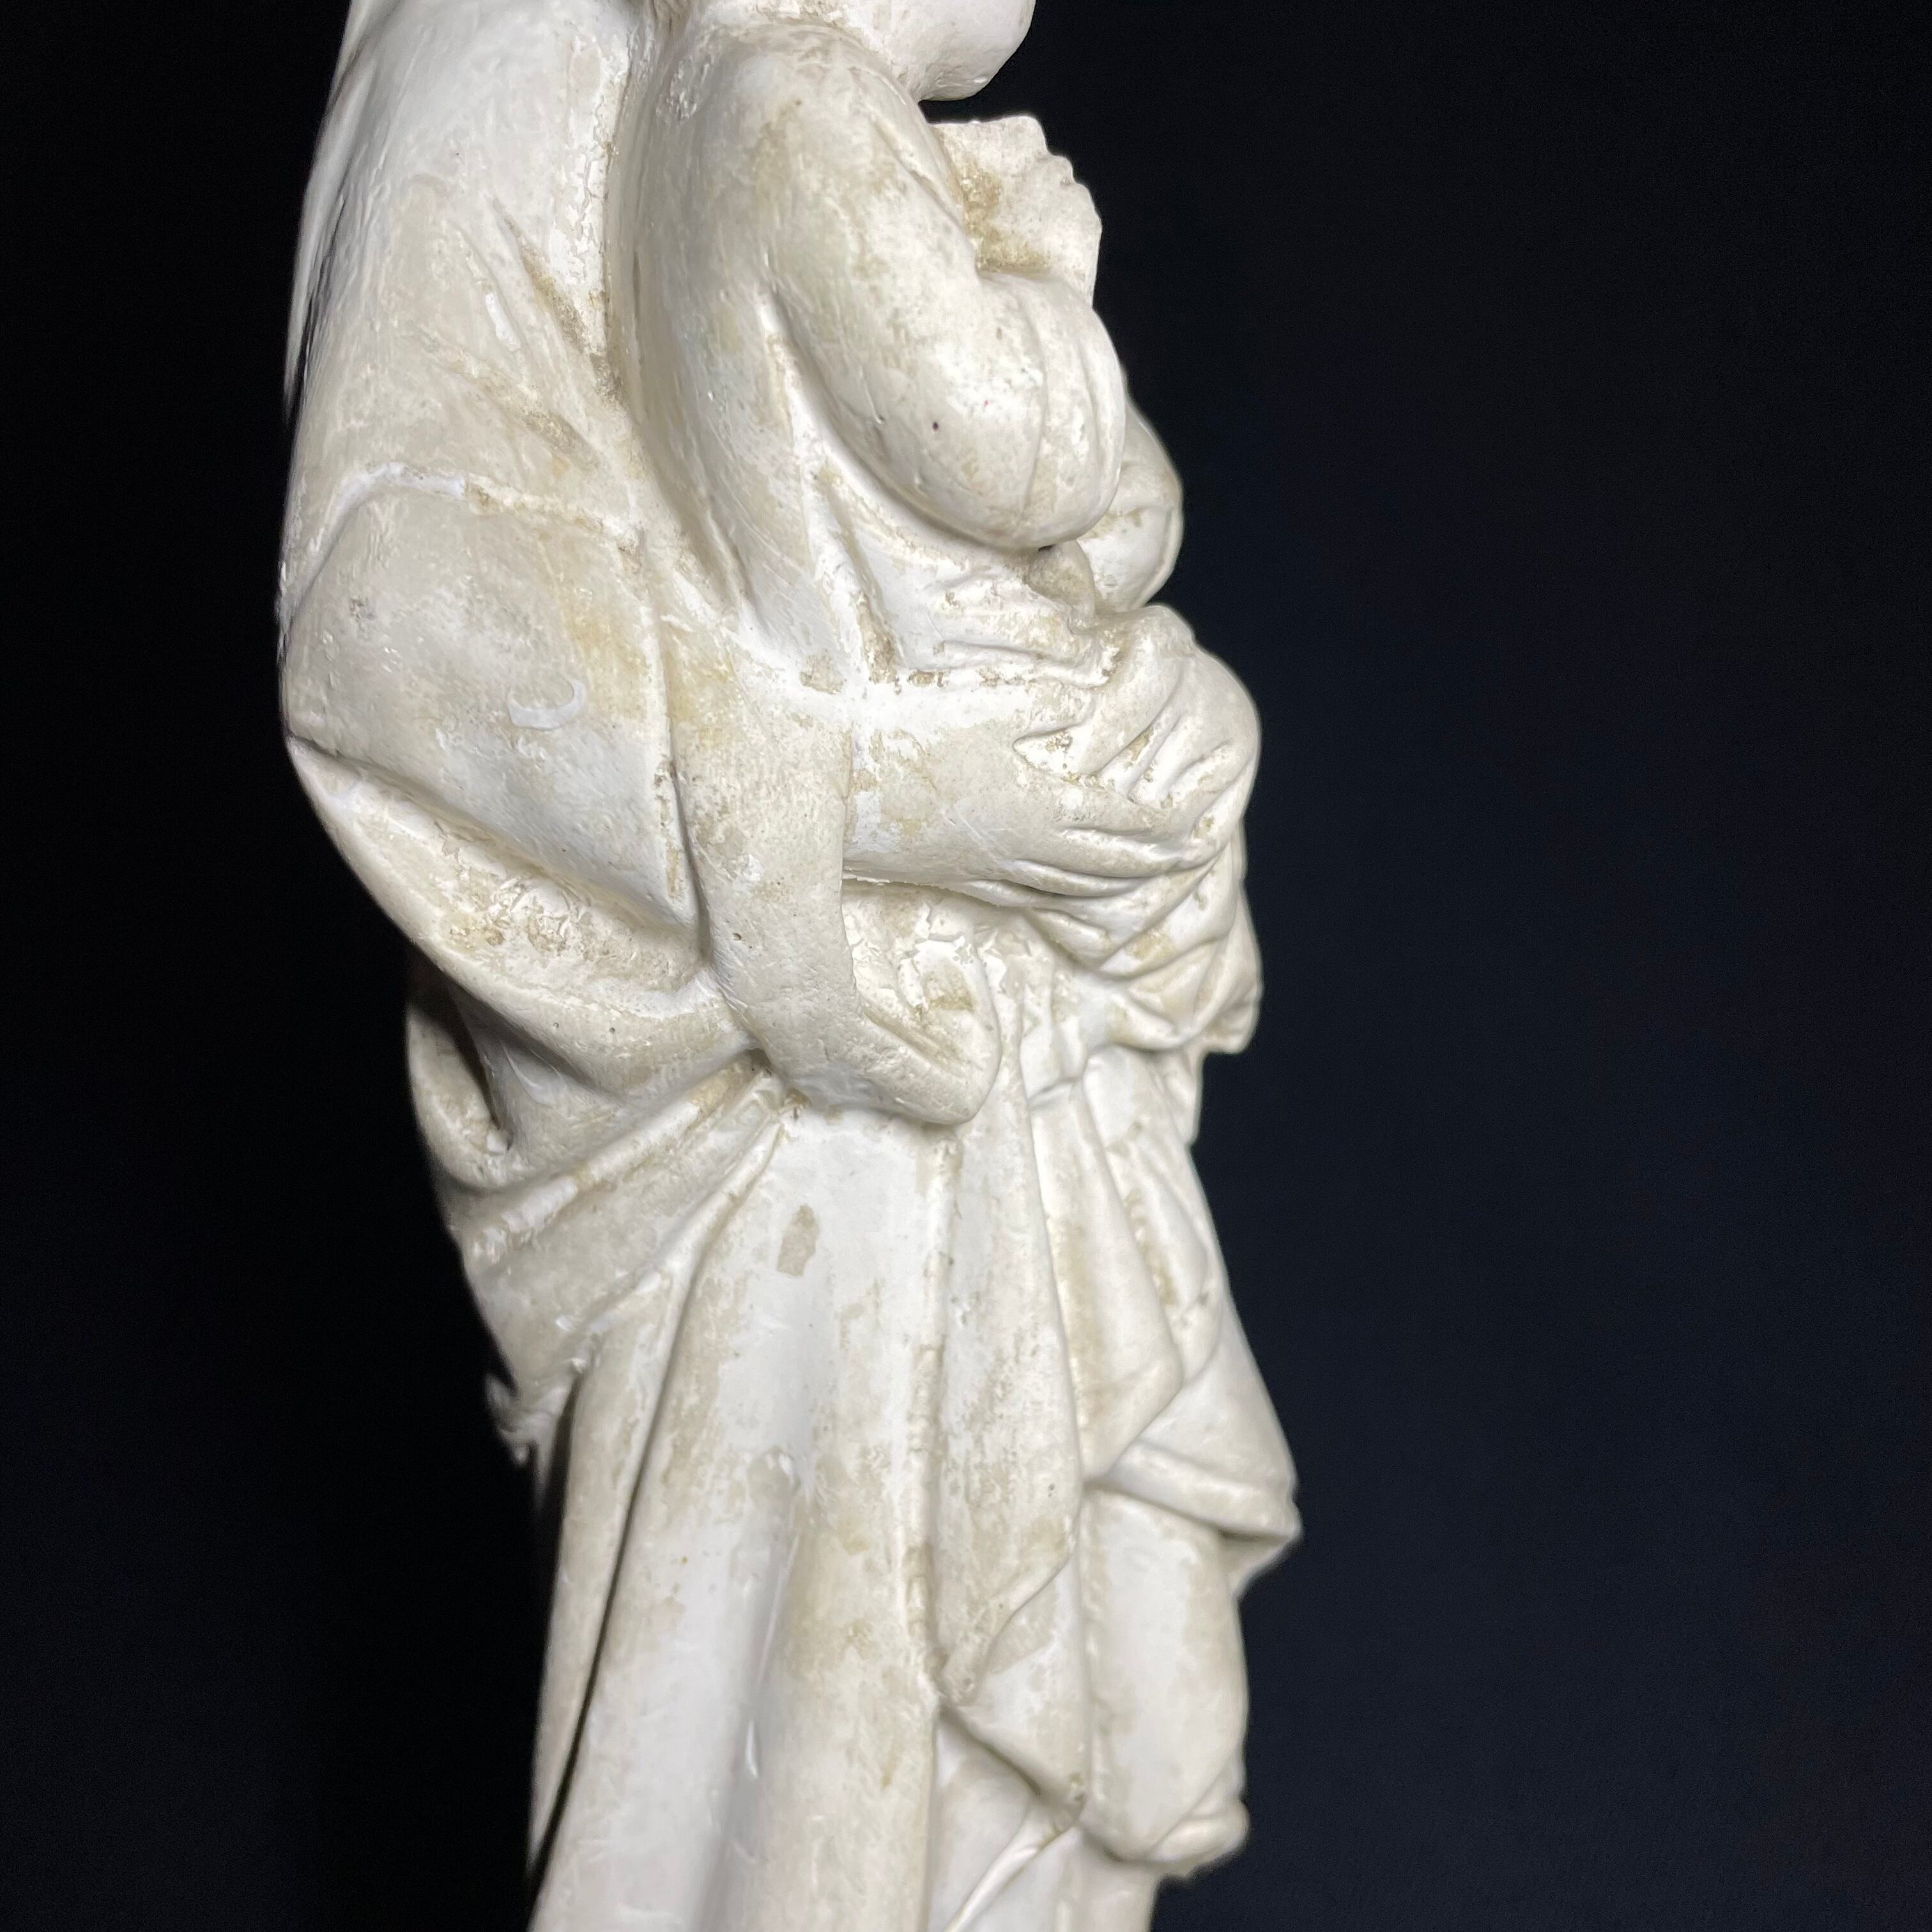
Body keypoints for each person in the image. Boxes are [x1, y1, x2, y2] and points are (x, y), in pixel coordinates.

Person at [280, 1, 1294, 1926]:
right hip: (789, 1096)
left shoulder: (806, 107)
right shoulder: (581, 54)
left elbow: (1070, 492)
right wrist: (885, 795)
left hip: (966, 1033)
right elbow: (386, 621)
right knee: (791, 1796)